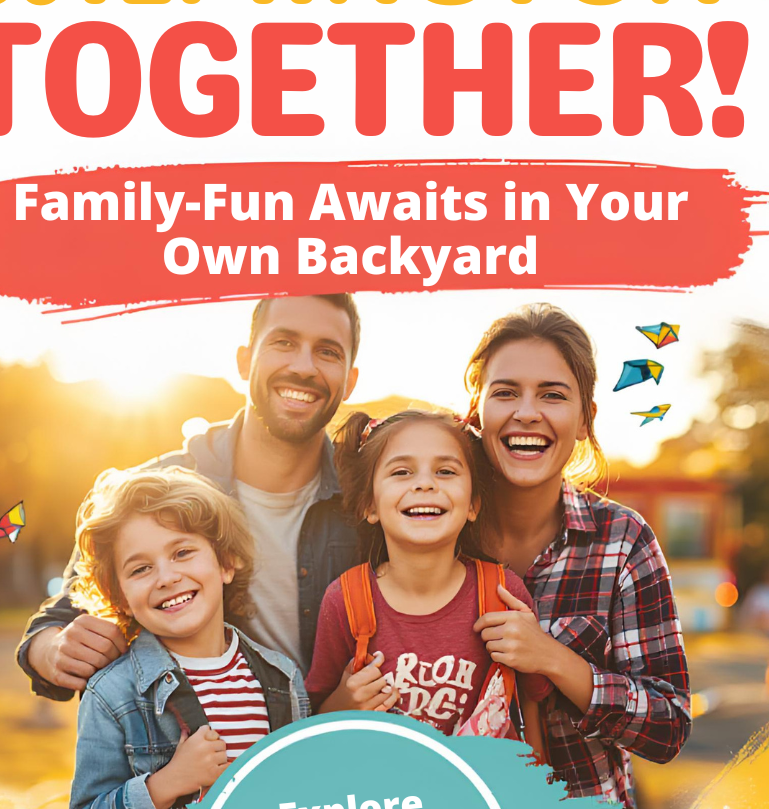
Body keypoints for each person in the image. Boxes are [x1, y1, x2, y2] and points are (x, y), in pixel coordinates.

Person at [18, 294, 361, 698]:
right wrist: (56, 650)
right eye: (283, 343)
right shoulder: (149, 488)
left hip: (338, 749)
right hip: (200, 756)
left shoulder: (373, 495)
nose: (303, 367)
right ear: (245, 361)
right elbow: (54, 623)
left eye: (327, 352)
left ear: (350, 381)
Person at [465, 303, 690, 808]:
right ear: (476, 411)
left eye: (553, 394)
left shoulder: (624, 542)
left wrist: (554, 660)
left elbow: (669, 727)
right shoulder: (436, 534)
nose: (527, 411)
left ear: (585, 418)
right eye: (505, 392)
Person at [305, 410, 552, 743]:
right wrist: (345, 705)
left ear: (473, 505)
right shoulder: (345, 600)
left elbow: (531, 706)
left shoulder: (503, 595)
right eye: (402, 472)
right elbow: (316, 720)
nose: (425, 483)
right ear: (370, 506)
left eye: (445, 471)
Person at [68, 466, 307, 809]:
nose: (166, 577)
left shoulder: (283, 678)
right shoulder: (111, 694)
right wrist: (166, 784)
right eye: (141, 569)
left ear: (226, 563)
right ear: (120, 597)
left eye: (182, 553)